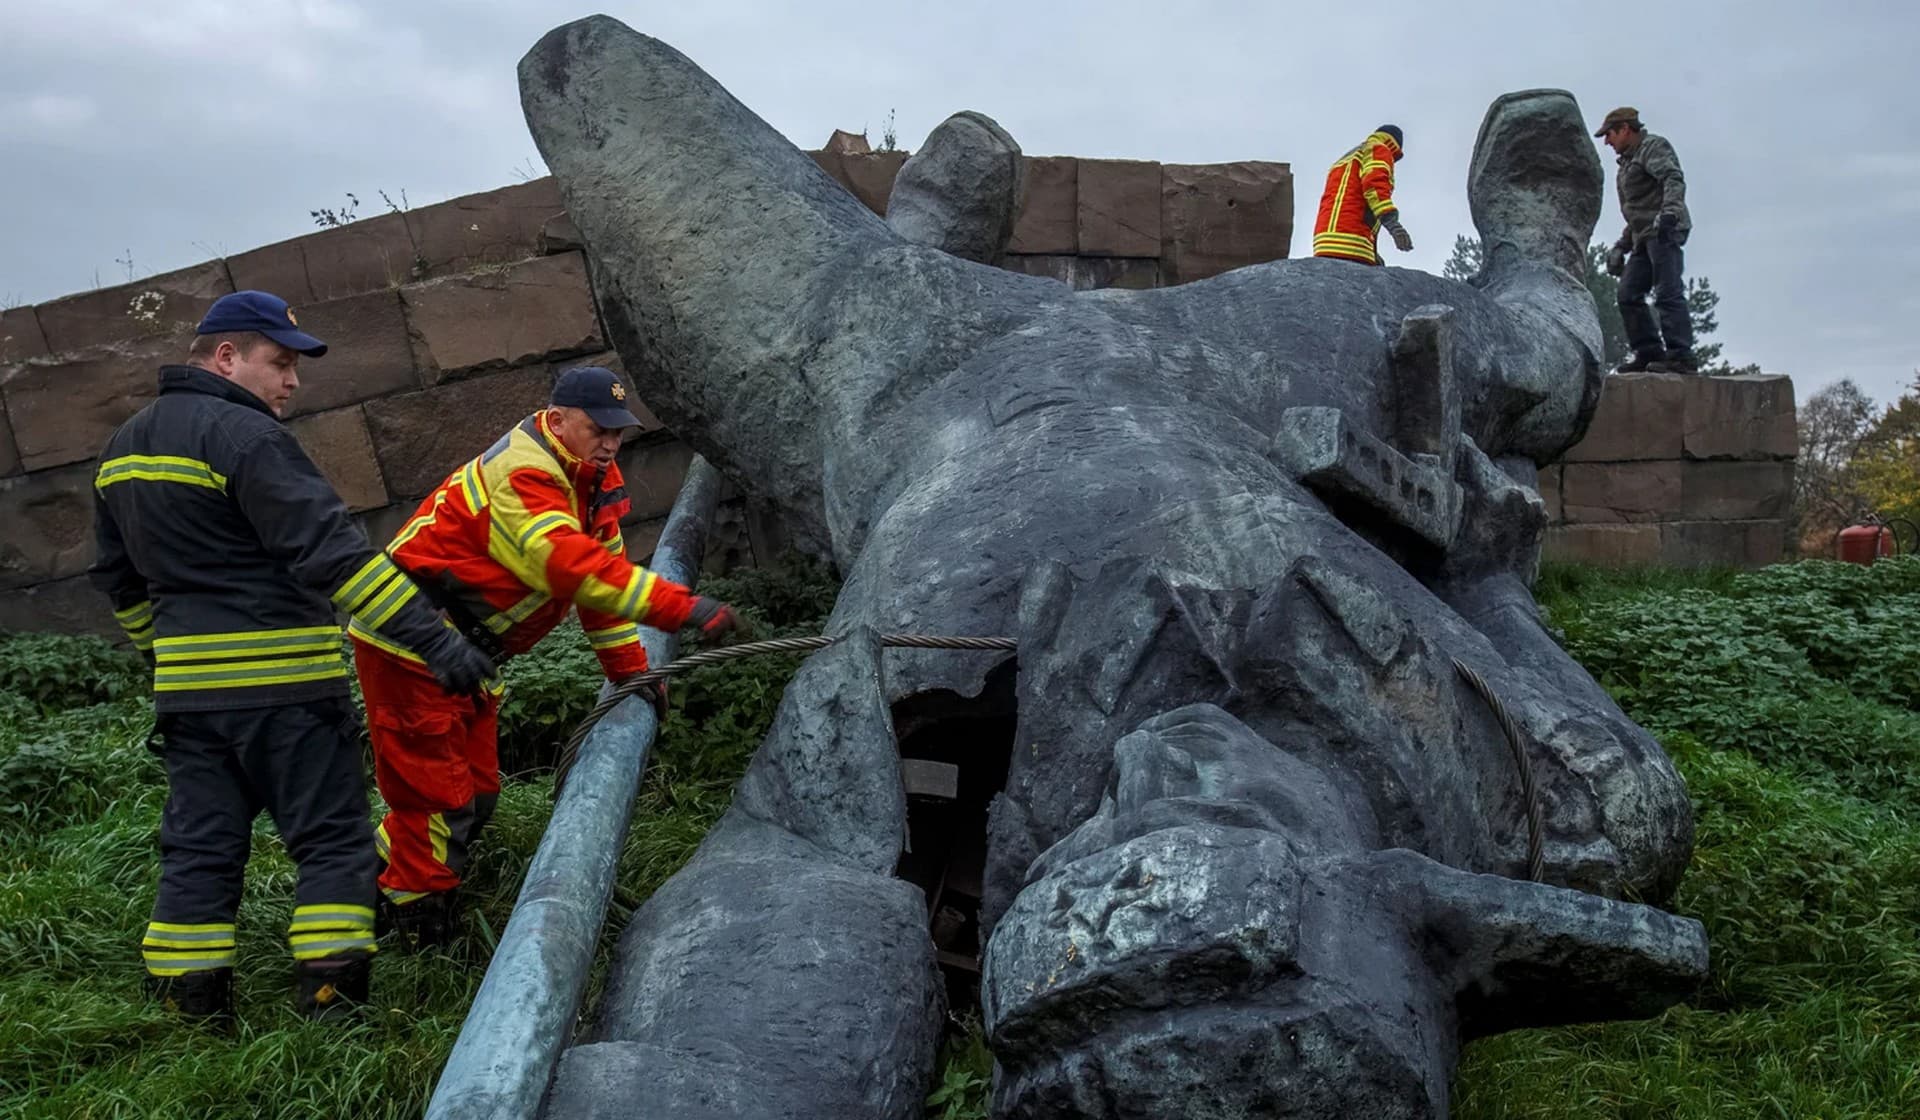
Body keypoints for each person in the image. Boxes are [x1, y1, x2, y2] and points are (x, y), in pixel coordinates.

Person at [88, 291, 496, 1023]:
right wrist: (436, 642)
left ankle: (191, 1017)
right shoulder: (246, 439)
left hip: (188, 701)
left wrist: (168, 656)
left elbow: (117, 581)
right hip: (288, 690)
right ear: (225, 357)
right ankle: (331, 1012)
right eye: (278, 363)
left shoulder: (122, 450)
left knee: (201, 851)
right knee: (333, 842)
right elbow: (335, 558)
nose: (292, 381)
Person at [349, 365, 742, 948]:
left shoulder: (588, 479)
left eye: (618, 433)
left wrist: (632, 670)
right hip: (412, 647)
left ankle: (369, 873)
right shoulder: (525, 474)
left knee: (477, 792)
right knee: (438, 799)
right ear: (557, 421)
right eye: (598, 430)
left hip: (462, 650)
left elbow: (599, 595)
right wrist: (680, 607)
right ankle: (417, 929)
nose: (611, 444)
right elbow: (570, 568)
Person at [1597, 106, 1696, 374]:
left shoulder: (1652, 148)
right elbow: (1637, 215)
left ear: (1625, 129)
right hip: (1643, 237)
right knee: (1628, 294)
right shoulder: (1627, 163)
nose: (1607, 141)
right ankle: (1649, 351)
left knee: (1667, 292)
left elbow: (1672, 178)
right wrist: (1621, 246)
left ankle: (1680, 356)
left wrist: (1671, 214)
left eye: (1610, 134)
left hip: (1663, 231)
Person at [1312, 124, 1412, 265]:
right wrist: (1393, 224)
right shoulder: (1379, 149)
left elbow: (1350, 198)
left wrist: (1372, 251)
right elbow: (1374, 187)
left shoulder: (1346, 159)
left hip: (1324, 241)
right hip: (1351, 240)